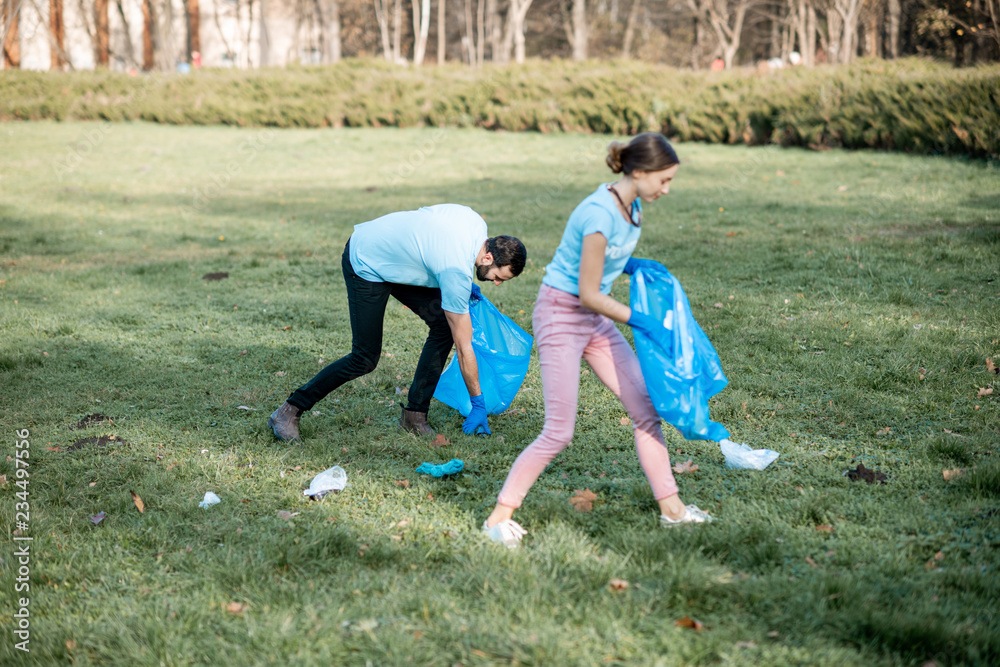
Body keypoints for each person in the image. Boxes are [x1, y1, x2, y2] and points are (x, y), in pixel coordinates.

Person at [482, 132, 713, 548]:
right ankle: (497, 519)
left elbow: (602, 268)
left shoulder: (634, 205)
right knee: (559, 431)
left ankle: (673, 511)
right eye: (663, 180)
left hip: (592, 319)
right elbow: (588, 293)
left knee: (646, 411)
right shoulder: (600, 214)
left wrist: (632, 265)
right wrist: (643, 321)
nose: (667, 189)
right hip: (561, 316)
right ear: (638, 172)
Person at [268, 204, 526, 442]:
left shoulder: (473, 222)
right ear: (489, 258)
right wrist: (478, 402)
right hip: (367, 260)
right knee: (364, 358)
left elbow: (429, 237)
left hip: (397, 259)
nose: (497, 283)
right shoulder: (454, 270)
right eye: (498, 277)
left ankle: (415, 416)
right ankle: (289, 411)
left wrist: (454, 285)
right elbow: (464, 344)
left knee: (444, 327)